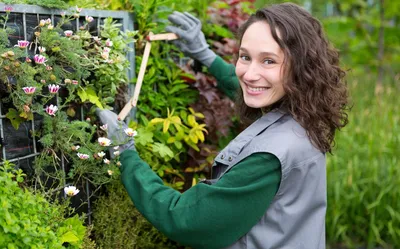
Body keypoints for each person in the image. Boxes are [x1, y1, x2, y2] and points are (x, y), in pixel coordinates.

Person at [96, 3, 349, 249]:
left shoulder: (267, 158)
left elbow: (187, 220)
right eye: (245, 56)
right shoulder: (302, 115)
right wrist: (204, 54)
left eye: (269, 61)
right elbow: (252, 89)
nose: (249, 74)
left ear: (300, 67)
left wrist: (125, 151)